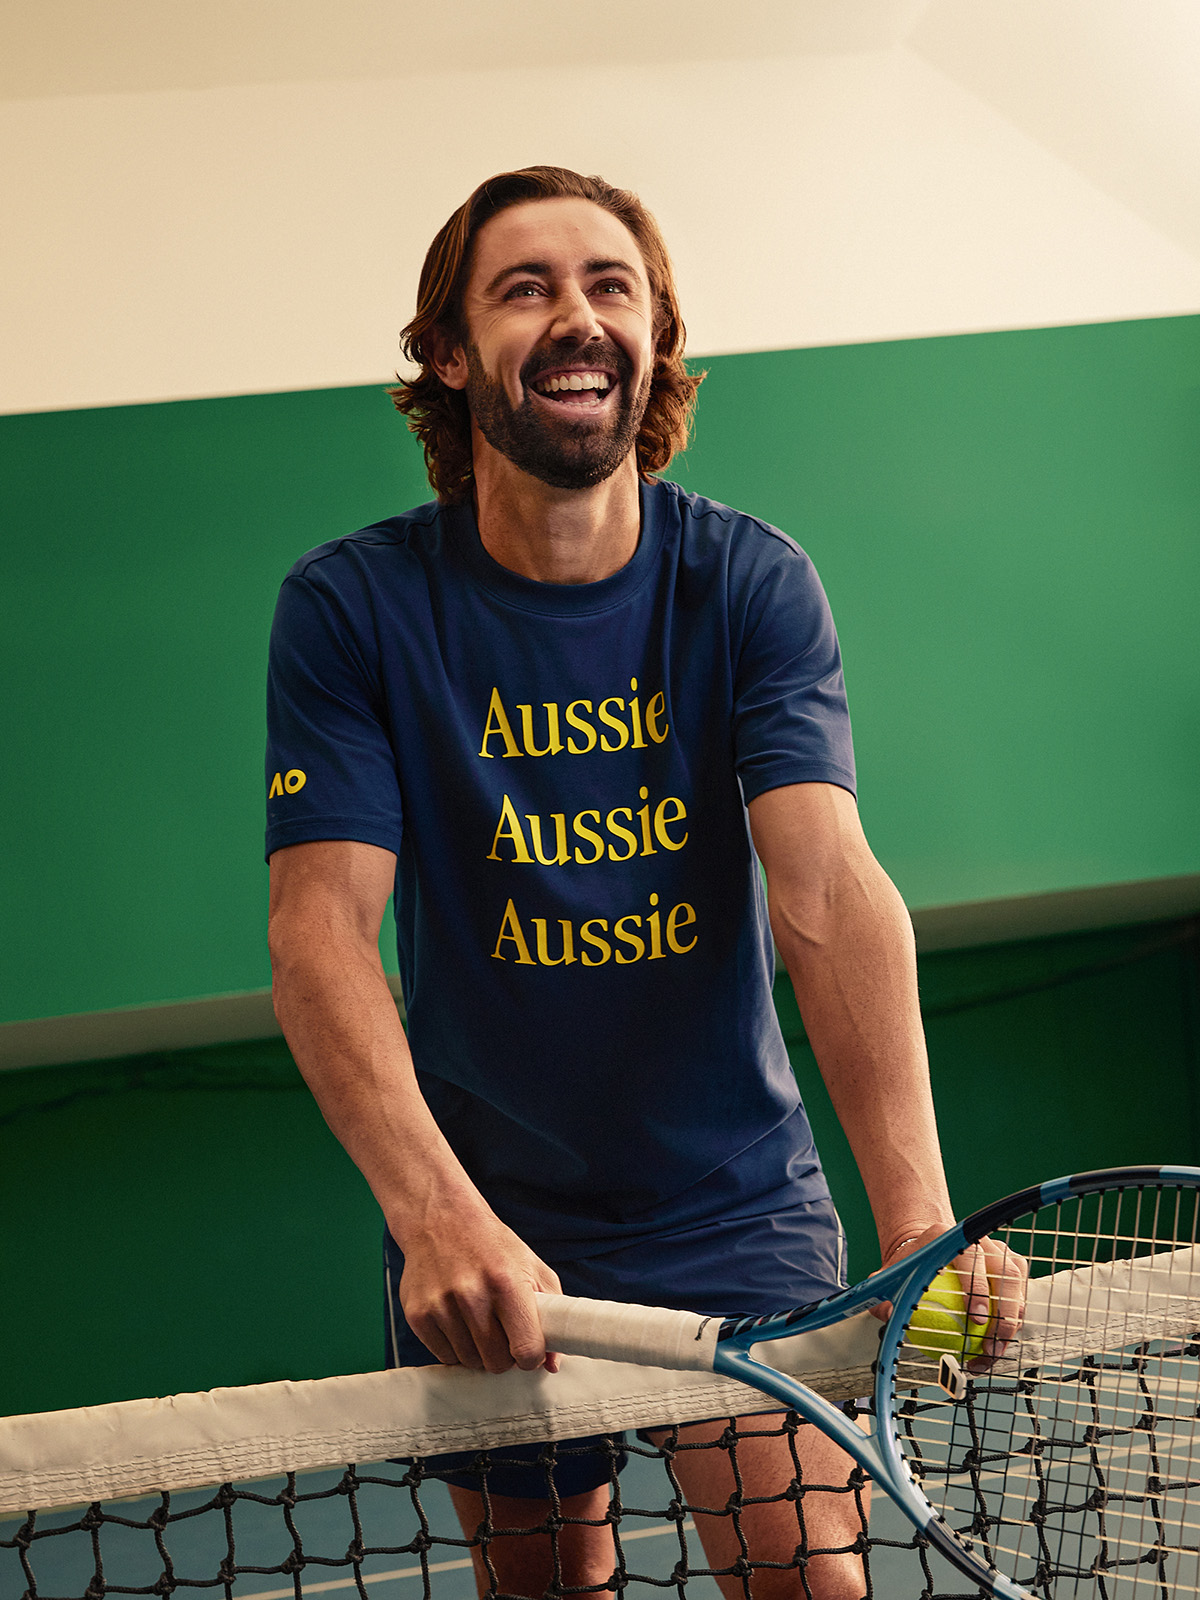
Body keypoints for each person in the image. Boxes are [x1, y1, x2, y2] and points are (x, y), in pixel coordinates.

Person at [265, 166, 1022, 1600]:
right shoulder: (351, 609)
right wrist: (433, 1215)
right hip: (489, 1214)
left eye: (610, 285)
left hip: (733, 1200)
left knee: (812, 1581)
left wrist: (919, 1215)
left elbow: (826, 891)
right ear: (448, 352)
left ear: (655, 339)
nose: (577, 316)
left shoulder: (749, 582)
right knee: (550, 1586)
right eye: (526, 287)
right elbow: (321, 933)